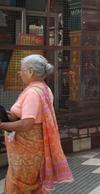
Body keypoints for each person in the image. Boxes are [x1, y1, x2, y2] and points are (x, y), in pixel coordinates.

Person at [0, 54, 73, 193]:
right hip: (34, 149)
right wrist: (7, 115)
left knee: (21, 185)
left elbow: (27, 124)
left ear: (31, 72)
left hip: (27, 151)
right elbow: (23, 117)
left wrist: (2, 125)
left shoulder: (32, 93)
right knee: (32, 184)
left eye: (22, 70)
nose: (19, 73)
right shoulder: (44, 89)